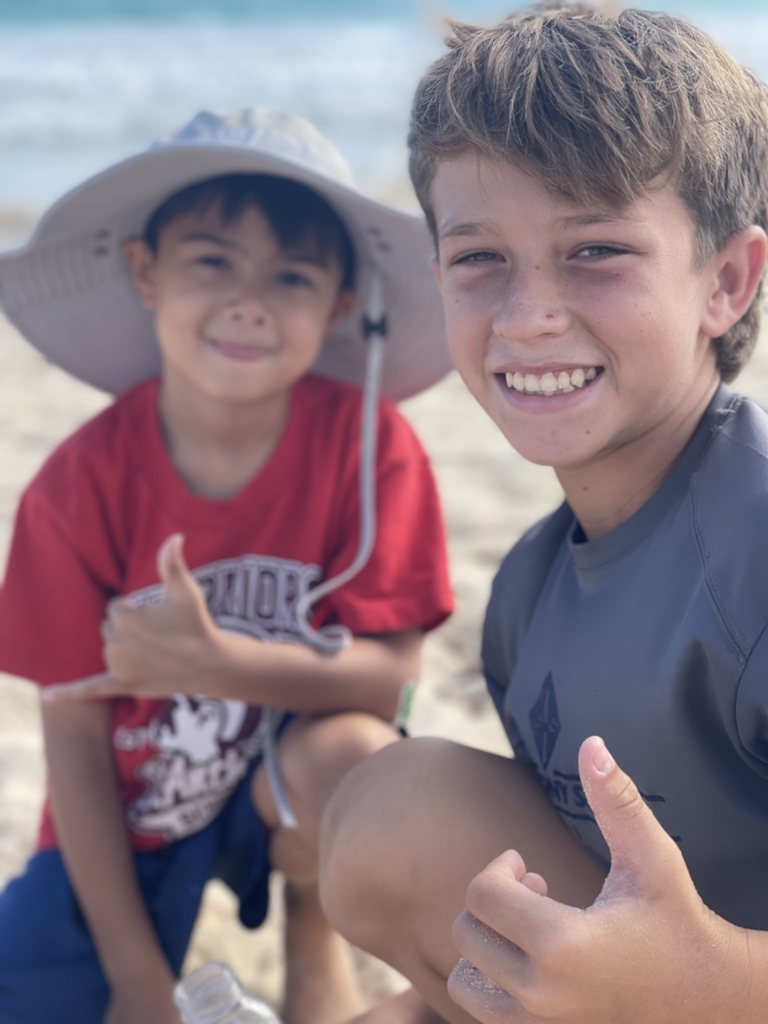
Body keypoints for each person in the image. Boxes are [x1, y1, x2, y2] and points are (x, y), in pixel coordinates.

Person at [318, 4, 768, 1023]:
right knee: (394, 808)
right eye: (481, 259)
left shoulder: (754, 551)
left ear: (726, 281)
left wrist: (703, 987)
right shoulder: (527, 591)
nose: (529, 314)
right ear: (438, 279)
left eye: (596, 249)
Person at [0, 108, 454, 1024]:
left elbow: (392, 678)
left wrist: (214, 666)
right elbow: (74, 748)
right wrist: (137, 985)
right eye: (213, 261)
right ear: (144, 272)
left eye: (291, 276)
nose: (249, 301)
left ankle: (311, 928)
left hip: (283, 783)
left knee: (360, 762)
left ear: (336, 305)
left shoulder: (370, 446)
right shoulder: (75, 485)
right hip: (132, 815)